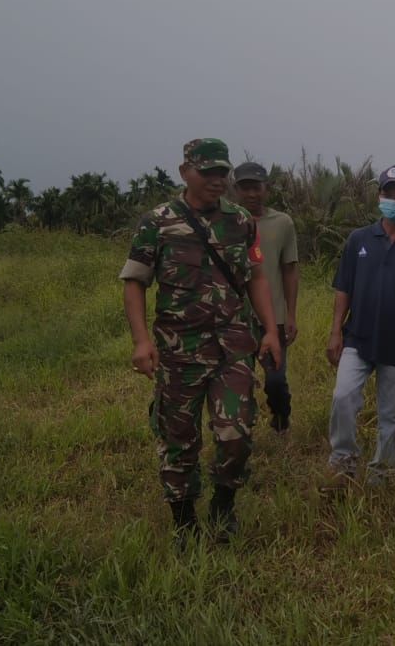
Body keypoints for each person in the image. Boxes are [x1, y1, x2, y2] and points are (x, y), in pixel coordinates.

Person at [120, 138, 281, 548]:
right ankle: (184, 518)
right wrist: (141, 341)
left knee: (236, 433)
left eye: (221, 173)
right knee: (179, 437)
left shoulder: (241, 220)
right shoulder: (157, 221)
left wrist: (270, 330)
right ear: (184, 171)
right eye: (207, 172)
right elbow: (135, 281)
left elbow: (256, 277)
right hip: (179, 350)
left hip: (233, 345)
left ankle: (223, 503)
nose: (216, 180)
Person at [325, 165, 395, 486]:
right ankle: (343, 459)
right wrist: (336, 331)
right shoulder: (359, 240)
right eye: (388, 193)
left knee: (390, 417)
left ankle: (382, 472)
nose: (394, 199)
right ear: (379, 196)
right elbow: (344, 289)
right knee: (342, 396)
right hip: (358, 338)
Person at [232, 161, 299, 432]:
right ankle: (240, 433)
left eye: (256, 188)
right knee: (239, 381)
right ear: (235, 189)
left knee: (275, 380)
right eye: (245, 188)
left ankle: (281, 417)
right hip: (235, 317)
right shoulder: (225, 222)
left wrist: (290, 314)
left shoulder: (282, 223)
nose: (251, 194)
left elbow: (289, 269)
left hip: (274, 318)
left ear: (266, 189)